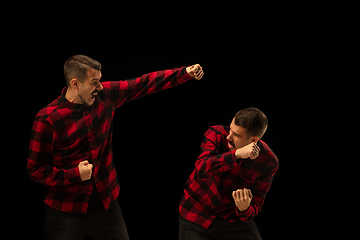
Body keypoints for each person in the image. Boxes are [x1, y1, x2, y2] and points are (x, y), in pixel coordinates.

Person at [27, 55, 204, 240]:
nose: (100, 87)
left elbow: (143, 83)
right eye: (94, 82)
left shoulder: (105, 96)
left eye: (100, 81)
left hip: (106, 204)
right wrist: (74, 174)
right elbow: (35, 169)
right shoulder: (48, 119)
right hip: (64, 211)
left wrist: (184, 73)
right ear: (75, 83)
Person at [178, 107, 279, 240]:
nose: (228, 137)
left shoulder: (269, 162)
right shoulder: (216, 133)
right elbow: (202, 168)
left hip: (233, 220)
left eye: (236, 135)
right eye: (230, 130)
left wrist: (244, 209)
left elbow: (257, 204)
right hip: (196, 213)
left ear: (253, 140)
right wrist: (236, 154)